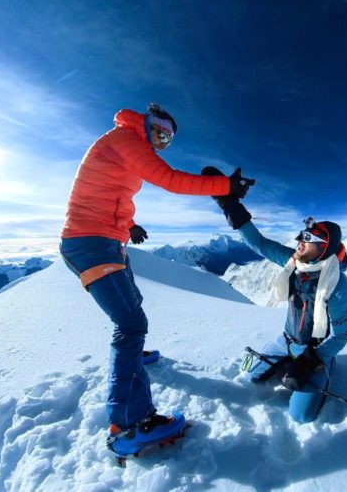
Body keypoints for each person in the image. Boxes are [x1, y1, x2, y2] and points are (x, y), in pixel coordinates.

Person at [59, 103, 254, 457]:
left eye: (168, 139)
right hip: (90, 243)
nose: (162, 142)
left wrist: (127, 225)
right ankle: (128, 427)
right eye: (161, 133)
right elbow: (170, 180)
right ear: (147, 125)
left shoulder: (125, 144)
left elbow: (107, 188)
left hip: (104, 238)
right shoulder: (126, 138)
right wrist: (226, 185)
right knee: (131, 324)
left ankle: (133, 357)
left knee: (133, 305)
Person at [203, 166, 347, 423]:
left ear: (324, 248)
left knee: (301, 415)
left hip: (315, 352)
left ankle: (327, 368)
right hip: (286, 340)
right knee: (250, 375)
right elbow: (259, 243)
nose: (299, 240)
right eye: (302, 235)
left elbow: (343, 334)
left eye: (308, 238)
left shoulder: (339, 287)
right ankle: (287, 363)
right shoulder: (293, 262)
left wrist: (314, 359)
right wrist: (230, 205)